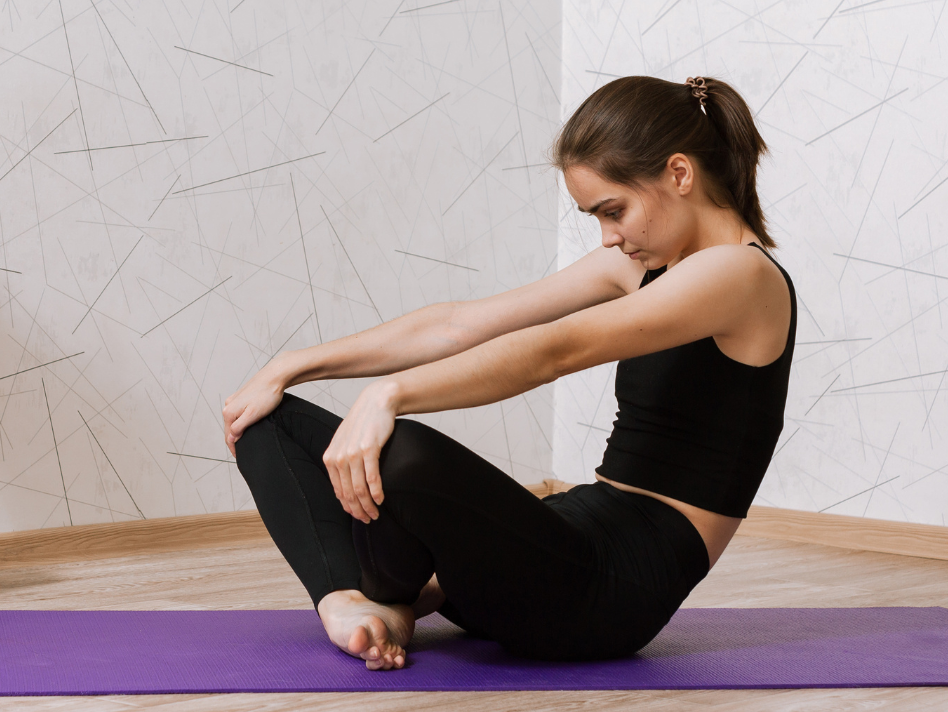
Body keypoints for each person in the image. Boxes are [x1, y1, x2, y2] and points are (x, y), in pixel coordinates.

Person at [222, 74, 796, 669]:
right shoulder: (645, 266)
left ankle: (380, 595)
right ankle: (365, 602)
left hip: (610, 592)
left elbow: (557, 350)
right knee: (265, 419)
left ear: (679, 174)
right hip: (561, 536)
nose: (608, 237)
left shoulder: (741, 277)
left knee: (404, 453)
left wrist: (389, 396)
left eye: (614, 210)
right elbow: (457, 325)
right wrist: (291, 366)